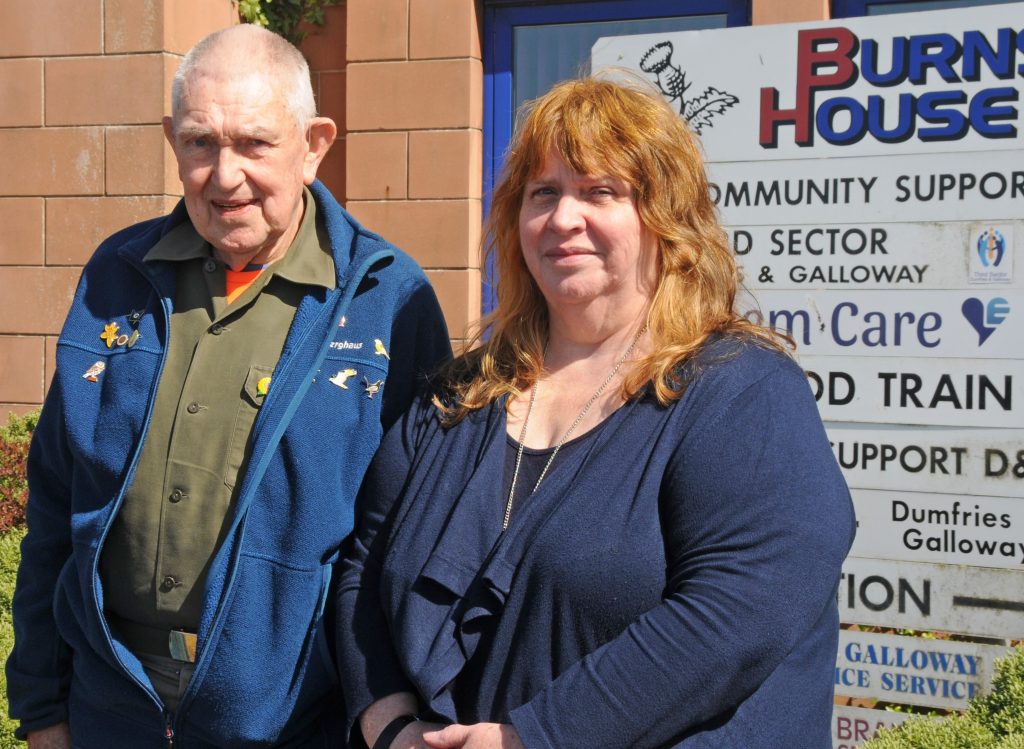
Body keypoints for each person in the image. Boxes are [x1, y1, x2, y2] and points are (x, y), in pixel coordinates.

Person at [336, 76, 855, 749]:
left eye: (600, 191)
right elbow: (362, 570)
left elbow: (738, 613)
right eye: (542, 193)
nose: (562, 218)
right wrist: (391, 721)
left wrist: (531, 737)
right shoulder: (459, 397)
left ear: (666, 218)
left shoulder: (742, 391)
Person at [6, 24, 450, 749]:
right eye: (200, 143)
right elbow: (57, 503)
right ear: (171, 140)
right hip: (111, 714)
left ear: (315, 145)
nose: (224, 175)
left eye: (254, 143)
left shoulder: (386, 302)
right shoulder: (116, 274)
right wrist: (42, 708)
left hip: (293, 724)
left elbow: (410, 542)